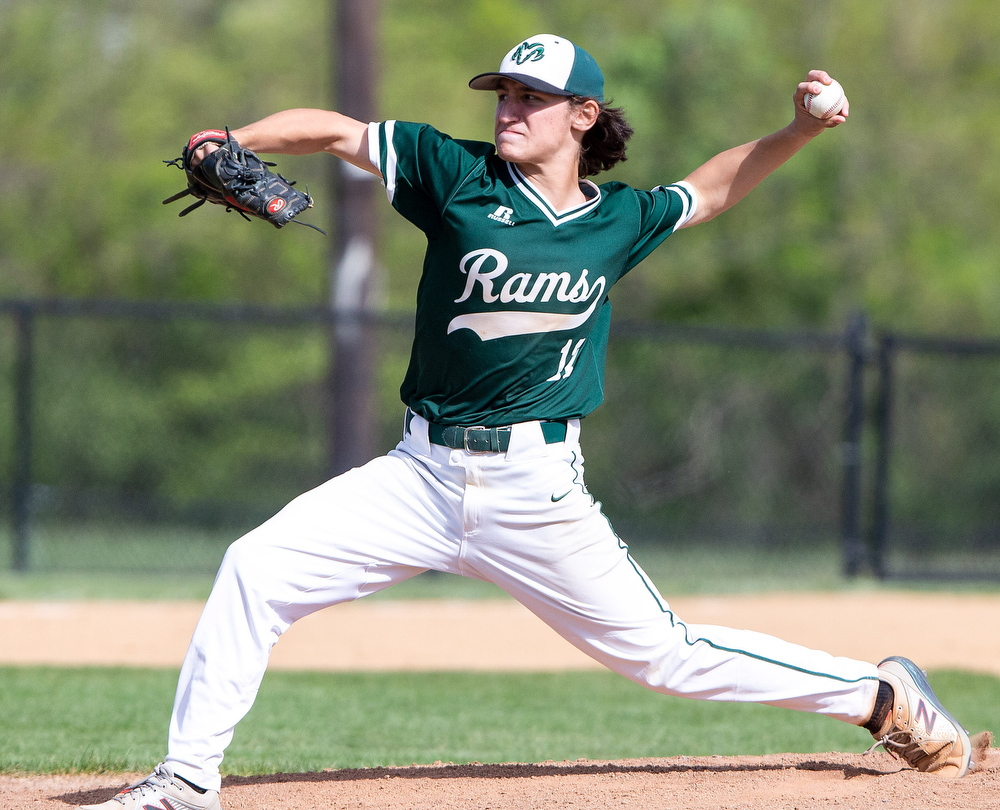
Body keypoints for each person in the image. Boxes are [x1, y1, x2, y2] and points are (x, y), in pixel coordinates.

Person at [82, 33, 972, 810]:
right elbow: (335, 131)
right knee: (255, 567)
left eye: (531, 97)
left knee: (666, 657)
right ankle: (186, 782)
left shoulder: (615, 219)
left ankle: (882, 696)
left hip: (536, 488)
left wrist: (802, 131)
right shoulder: (452, 172)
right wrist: (229, 139)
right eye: (504, 93)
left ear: (581, 116)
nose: (510, 108)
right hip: (419, 475)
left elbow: (710, 189)